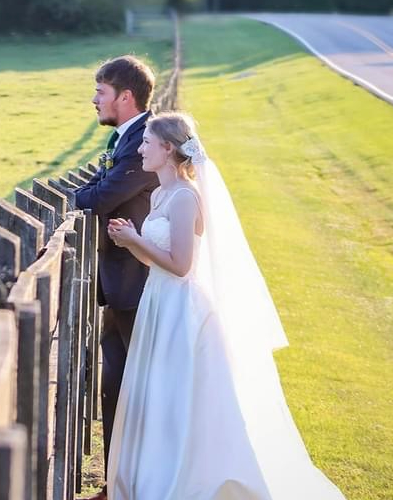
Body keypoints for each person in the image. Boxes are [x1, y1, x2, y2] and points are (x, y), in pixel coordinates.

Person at [104, 112, 345, 499]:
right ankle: (155, 475)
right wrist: (133, 241)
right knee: (159, 395)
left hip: (181, 310)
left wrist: (135, 240)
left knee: (180, 398)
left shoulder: (184, 197)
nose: (141, 148)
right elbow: (159, 259)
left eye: (147, 142)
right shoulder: (161, 193)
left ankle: (185, 482)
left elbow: (182, 266)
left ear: (167, 149)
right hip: (158, 302)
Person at [72, 55, 160, 500]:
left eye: (100, 93)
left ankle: (130, 483)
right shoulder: (128, 139)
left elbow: (102, 197)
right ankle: (118, 482)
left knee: (132, 390)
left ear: (125, 97)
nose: (94, 100)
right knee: (115, 385)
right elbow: (100, 189)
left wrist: (79, 195)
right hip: (121, 286)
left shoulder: (148, 140)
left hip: (137, 287)